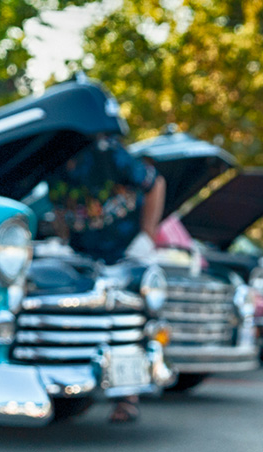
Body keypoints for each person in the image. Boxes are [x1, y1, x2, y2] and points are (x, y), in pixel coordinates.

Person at [46, 133, 166, 423]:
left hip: (126, 253)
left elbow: (156, 184)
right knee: (85, 320)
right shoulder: (50, 164)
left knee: (127, 323)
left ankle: (128, 397)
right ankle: (80, 392)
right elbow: (59, 208)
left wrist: (147, 234)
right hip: (84, 257)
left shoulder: (107, 153)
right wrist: (64, 240)